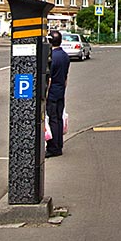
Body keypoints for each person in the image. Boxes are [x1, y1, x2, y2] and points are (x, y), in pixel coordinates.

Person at [45, 29, 70, 157]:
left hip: (52, 93)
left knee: (53, 119)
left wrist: (45, 95)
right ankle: (59, 144)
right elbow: (65, 77)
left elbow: (49, 79)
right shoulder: (65, 55)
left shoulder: (51, 58)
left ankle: (53, 147)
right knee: (59, 119)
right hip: (60, 91)